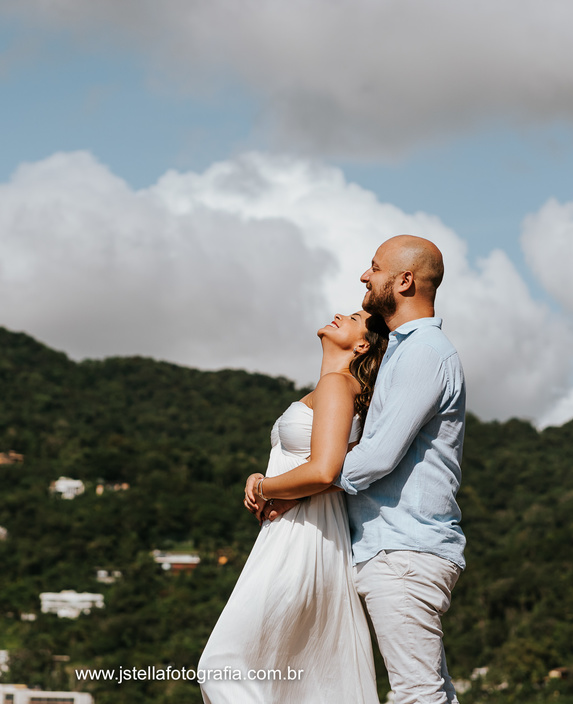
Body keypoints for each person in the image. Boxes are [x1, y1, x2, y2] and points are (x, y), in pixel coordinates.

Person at [259, 235, 467, 704]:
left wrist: (290, 487)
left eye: (374, 267)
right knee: (434, 693)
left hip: (403, 550)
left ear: (405, 280)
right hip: (395, 549)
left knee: (417, 695)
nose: (364, 276)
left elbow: (375, 457)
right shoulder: (403, 350)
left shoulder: (425, 351)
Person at [198, 310, 389, 704]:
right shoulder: (333, 387)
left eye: (352, 317)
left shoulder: (337, 384)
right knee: (298, 679)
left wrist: (266, 488)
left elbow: (323, 471)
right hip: (301, 531)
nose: (338, 315)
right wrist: (268, 481)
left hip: (302, 536)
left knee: (222, 666)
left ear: (362, 345)